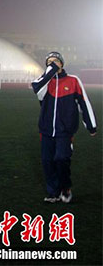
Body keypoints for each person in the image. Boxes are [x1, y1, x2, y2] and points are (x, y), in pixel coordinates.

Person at [31, 51, 97, 203]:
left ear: (62, 63)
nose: (52, 64)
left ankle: (65, 187)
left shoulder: (73, 80)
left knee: (61, 159)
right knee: (47, 162)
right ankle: (53, 192)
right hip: (46, 130)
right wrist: (51, 71)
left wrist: (91, 125)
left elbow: (84, 103)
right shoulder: (43, 84)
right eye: (49, 62)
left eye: (55, 61)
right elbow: (36, 87)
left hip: (65, 131)